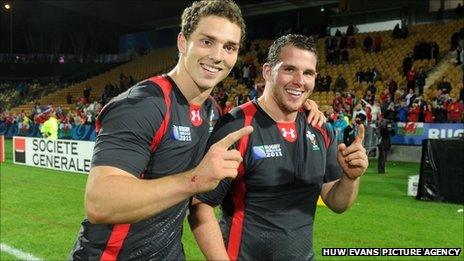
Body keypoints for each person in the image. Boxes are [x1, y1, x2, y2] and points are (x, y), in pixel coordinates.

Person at [69, 1, 325, 260]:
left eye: (229, 47)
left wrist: (303, 106)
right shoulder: (143, 105)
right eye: (206, 41)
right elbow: (100, 202)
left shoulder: (211, 111)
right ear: (183, 42)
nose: (217, 55)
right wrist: (195, 180)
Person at [189, 34, 368, 261]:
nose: (299, 81)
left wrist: (350, 179)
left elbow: (337, 202)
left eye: (308, 73)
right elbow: (200, 205)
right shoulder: (237, 126)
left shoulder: (320, 128)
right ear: (267, 71)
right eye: (289, 69)